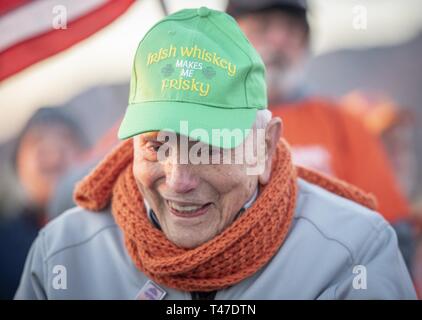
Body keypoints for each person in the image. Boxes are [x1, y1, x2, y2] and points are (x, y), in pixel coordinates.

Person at [15, 7, 416, 300]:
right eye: (156, 144)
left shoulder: (355, 250)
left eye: (210, 146)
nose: (178, 179)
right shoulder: (62, 254)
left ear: (265, 146)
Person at [227, 0, 414, 266]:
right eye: (263, 26)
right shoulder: (202, 126)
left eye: (292, 30)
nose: (279, 40)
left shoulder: (345, 125)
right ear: (227, 38)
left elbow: (392, 233)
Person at [0, 107, 87, 299]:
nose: (53, 153)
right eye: (37, 141)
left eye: (65, 139)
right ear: (17, 165)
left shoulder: (112, 227)